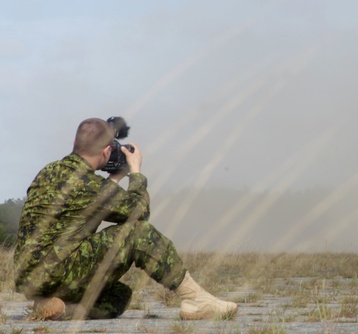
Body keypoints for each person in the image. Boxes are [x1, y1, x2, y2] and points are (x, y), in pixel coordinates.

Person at [13, 118, 238, 321]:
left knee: (118, 295)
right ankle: (195, 299)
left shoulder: (48, 172)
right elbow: (138, 211)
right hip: (58, 273)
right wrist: (136, 172)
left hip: (33, 279)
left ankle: (60, 309)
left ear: (75, 141)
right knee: (137, 232)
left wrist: (114, 179)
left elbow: (85, 210)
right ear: (107, 151)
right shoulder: (87, 184)